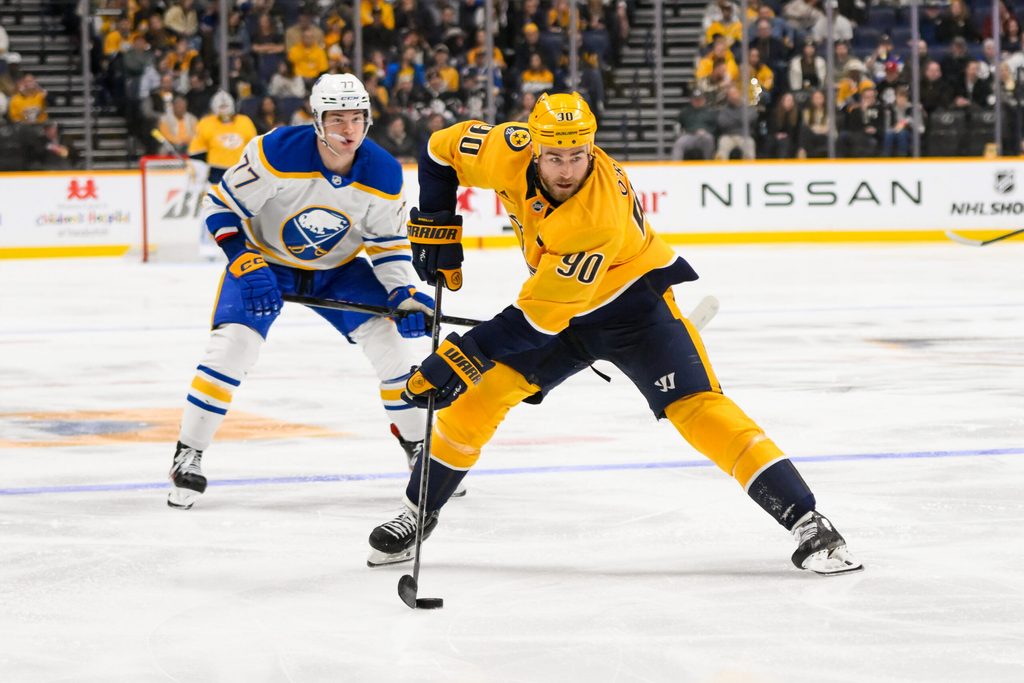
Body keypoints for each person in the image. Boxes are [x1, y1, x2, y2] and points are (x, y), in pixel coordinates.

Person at [365, 92, 863, 576]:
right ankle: (418, 511)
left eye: (577, 156)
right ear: (532, 145)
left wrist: (460, 357)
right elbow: (437, 151)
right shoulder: (506, 148)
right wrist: (436, 222)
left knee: (698, 410)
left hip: (635, 311)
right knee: (480, 399)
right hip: (563, 310)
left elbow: (536, 322)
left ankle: (807, 521)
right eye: (555, 156)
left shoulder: (595, 216)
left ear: (591, 149)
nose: (566, 170)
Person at [167, 74, 443, 509]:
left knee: (394, 351)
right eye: (337, 119)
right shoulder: (275, 152)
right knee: (231, 347)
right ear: (316, 120)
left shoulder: (384, 171)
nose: (348, 130)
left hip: (337, 269)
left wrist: (403, 294)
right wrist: (242, 258)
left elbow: (387, 245)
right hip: (265, 262)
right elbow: (218, 206)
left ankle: (418, 449)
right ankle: (188, 452)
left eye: (357, 118)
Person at [187, 90, 257, 186]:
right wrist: (200, 172)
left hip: (241, 171)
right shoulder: (206, 123)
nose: (224, 110)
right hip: (216, 172)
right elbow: (197, 152)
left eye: (226, 106)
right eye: (221, 107)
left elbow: (254, 148)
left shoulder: (245, 121)